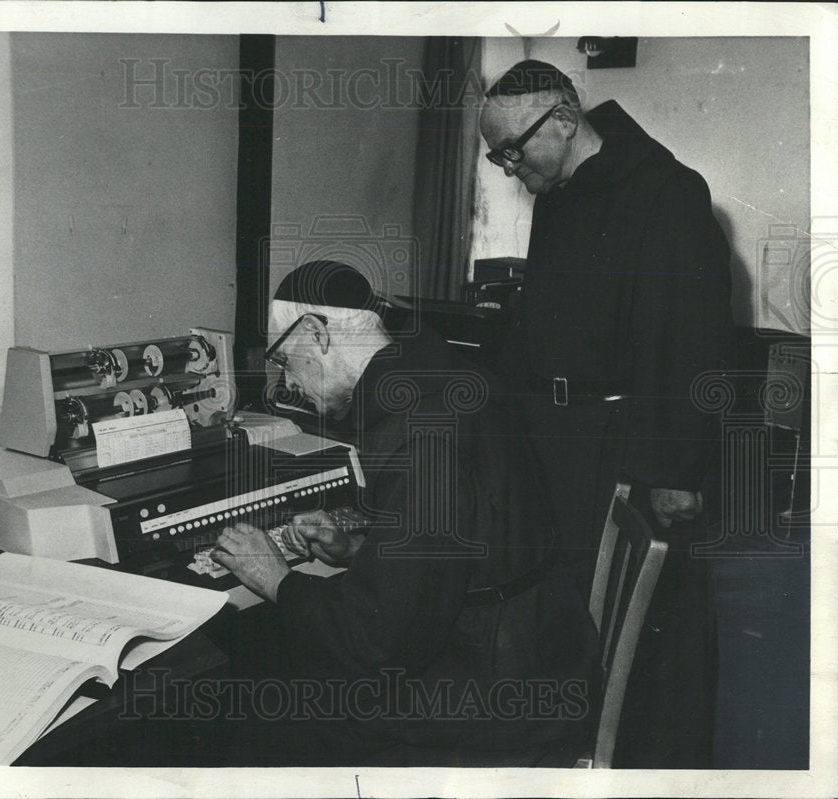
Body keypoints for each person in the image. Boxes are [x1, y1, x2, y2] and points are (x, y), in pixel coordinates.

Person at [211, 260, 600, 766]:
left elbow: (382, 640)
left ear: (316, 333)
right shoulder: (449, 375)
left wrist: (278, 579)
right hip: (541, 646)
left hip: (504, 691)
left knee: (268, 708)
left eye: (285, 361)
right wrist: (360, 551)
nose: (287, 383)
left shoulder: (417, 430)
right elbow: (463, 540)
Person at [479, 61, 736, 768]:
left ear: (563, 117)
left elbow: (691, 345)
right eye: (496, 155)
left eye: (511, 150)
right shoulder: (558, 194)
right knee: (565, 628)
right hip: (556, 440)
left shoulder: (668, 192)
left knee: (637, 638)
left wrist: (672, 473)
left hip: (624, 449)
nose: (506, 168)